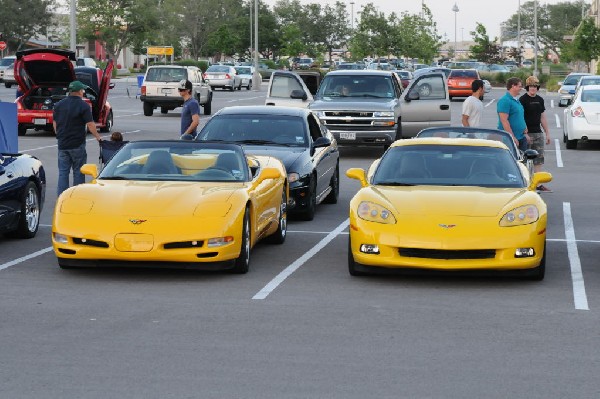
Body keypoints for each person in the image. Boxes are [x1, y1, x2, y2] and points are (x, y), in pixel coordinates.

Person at [53, 80, 102, 196]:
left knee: (63, 173)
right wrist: (98, 138)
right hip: (77, 144)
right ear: (79, 91)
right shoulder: (84, 105)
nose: (83, 92)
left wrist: (59, 135)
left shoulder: (59, 105)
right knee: (79, 172)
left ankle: (61, 196)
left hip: (62, 144)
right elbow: (90, 124)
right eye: (82, 90)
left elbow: (55, 122)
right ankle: (77, 196)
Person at [520, 75, 552, 192]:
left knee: (538, 159)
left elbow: (542, 117)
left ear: (537, 88)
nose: (533, 88)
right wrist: (524, 133)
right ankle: (527, 183)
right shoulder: (522, 100)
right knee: (526, 159)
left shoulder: (540, 100)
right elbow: (520, 118)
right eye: (531, 86)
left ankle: (538, 184)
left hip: (538, 133)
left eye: (535, 86)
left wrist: (547, 133)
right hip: (527, 134)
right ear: (527, 87)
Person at [497, 77, 530, 152]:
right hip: (509, 140)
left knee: (522, 161)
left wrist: (525, 131)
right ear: (513, 86)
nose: (521, 88)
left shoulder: (516, 100)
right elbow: (504, 121)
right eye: (519, 86)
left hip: (521, 137)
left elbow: (519, 117)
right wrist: (512, 138)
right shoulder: (505, 101)